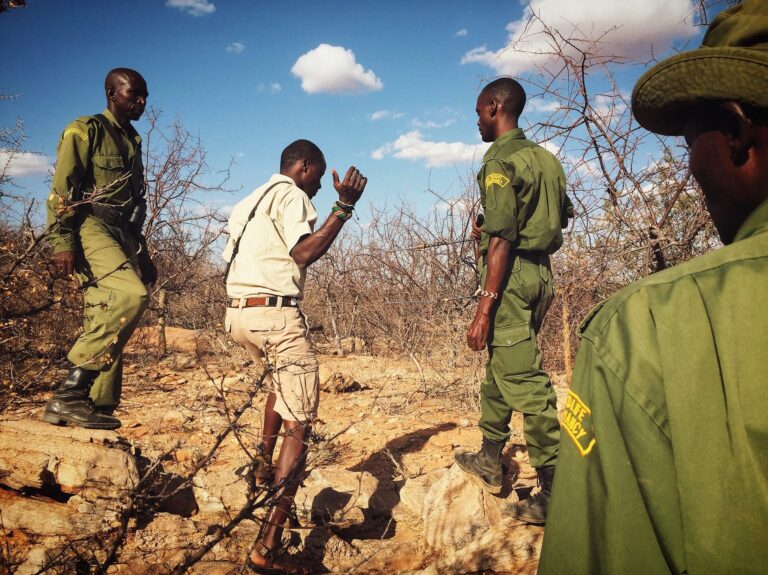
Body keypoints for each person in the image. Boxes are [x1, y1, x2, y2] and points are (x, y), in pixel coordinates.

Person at [539, 2, 768, 573]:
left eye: (694, 142)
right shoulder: (548, 168)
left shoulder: (643, 331)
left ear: (739, 134)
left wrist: (486, 301)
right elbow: (564, 218)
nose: (690, 168)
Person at [223, 139, 366, 574]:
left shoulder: (249, 199)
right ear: (303, 167)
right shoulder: (291, 195)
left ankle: (261, 471)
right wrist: (344, 208)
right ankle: (268, 545)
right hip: (273, 315)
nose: (320, 189)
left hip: (237, 316)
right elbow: (304, 252)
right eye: (319, 178)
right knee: (299, 421)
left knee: (278, 387)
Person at [455, 77, 571, 524]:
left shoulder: (499, 159)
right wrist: (493, 229)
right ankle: (489, 458)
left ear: (494, 107)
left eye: (480, 111)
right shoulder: (546, 160)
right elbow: (554, 216)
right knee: (502, 367)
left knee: (528, 384)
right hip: (541, 274)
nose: (478, 120)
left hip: (512, 276)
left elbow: (504, 235)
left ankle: (555, 491)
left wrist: (485, 308)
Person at [42, 68, 156, 430]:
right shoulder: (86, 129)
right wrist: (62, 241)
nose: (141, 102)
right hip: (90, 225)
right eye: (133, 94)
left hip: (122, 232)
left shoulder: (133, 140)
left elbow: (134, 205)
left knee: (106, 311)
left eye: (144, 96)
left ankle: (97, 405)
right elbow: (63, 188)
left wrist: (144, 253)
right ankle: (68, 396)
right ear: (111, 93)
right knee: (129, 297)